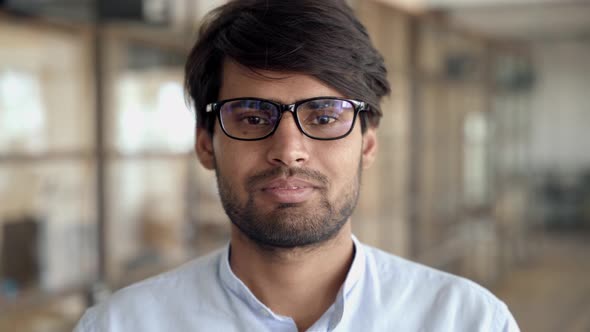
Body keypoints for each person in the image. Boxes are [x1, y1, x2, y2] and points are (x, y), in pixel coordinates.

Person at [75, 0, 520, 331]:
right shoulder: (122, 325)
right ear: (205, 144)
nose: (289, 150)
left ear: (367, 143)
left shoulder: (465, 320)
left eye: (324, 117)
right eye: (251, 117)